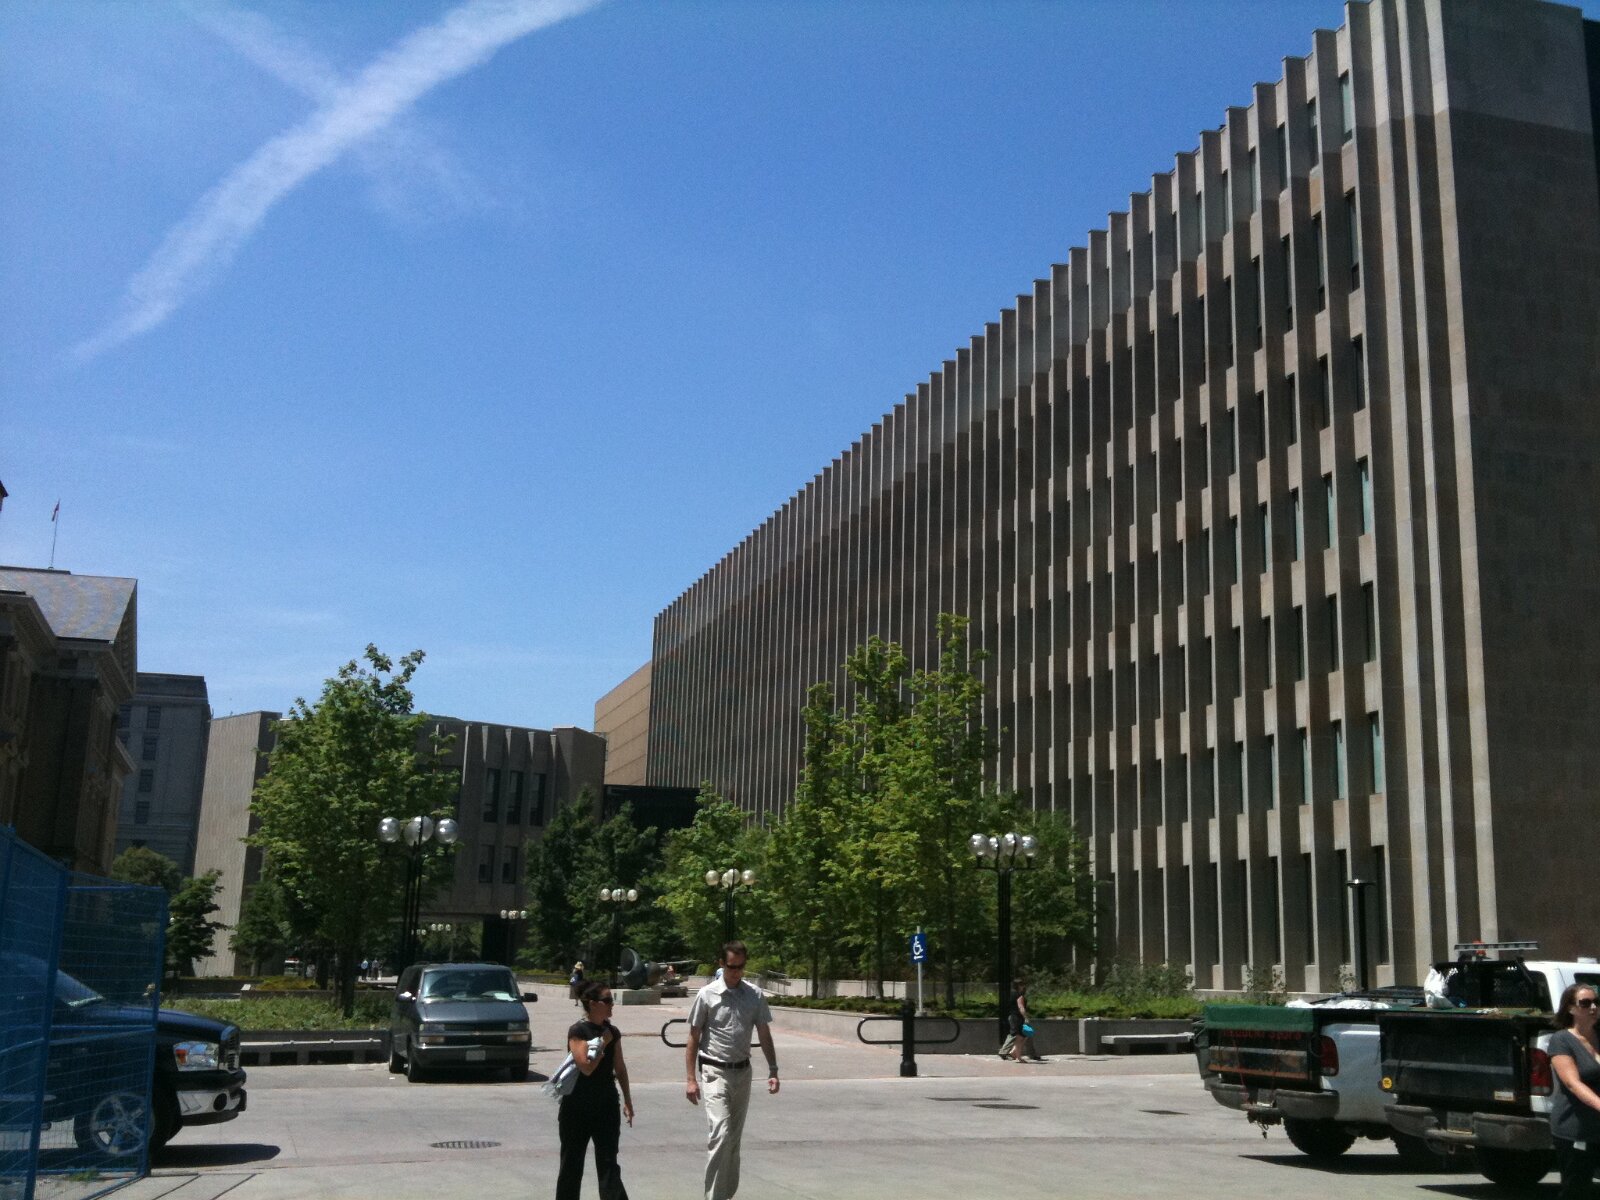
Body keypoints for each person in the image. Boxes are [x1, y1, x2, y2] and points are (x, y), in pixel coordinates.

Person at [685, 940, 780, 1200]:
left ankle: (726, 1194)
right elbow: (693, 1037)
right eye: (731, 966)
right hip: (714, 1071)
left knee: (734, 1140)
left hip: (743, 1072)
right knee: (721, 1134)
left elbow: (764, 1033)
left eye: (740, 966)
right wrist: (691, 1079)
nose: (736, 972)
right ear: (721, 964)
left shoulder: (754, 995)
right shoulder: (707, 995)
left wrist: (773, 1069)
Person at [557, 980, 633, 1200]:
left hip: (606, 1106)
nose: (612, 1004)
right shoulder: (578, 1031)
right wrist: (602, 1042)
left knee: (609, 1164)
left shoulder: (613, 1032)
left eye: (612, 999)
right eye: (607, 1000)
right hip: (576, 1108)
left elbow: (620, 1068)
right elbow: (586, 1067)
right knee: (571, 1165)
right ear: (592, 1004)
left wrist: (628, 1101)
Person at [1549, 983, 1600, 1198]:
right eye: (1585, 1003)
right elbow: (1573, 1083)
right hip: (1576, 1129)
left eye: (1596, 1002)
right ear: (1571, 1008)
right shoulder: (1562, 1040)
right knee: (1576, 1191)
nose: (1593, 1007)